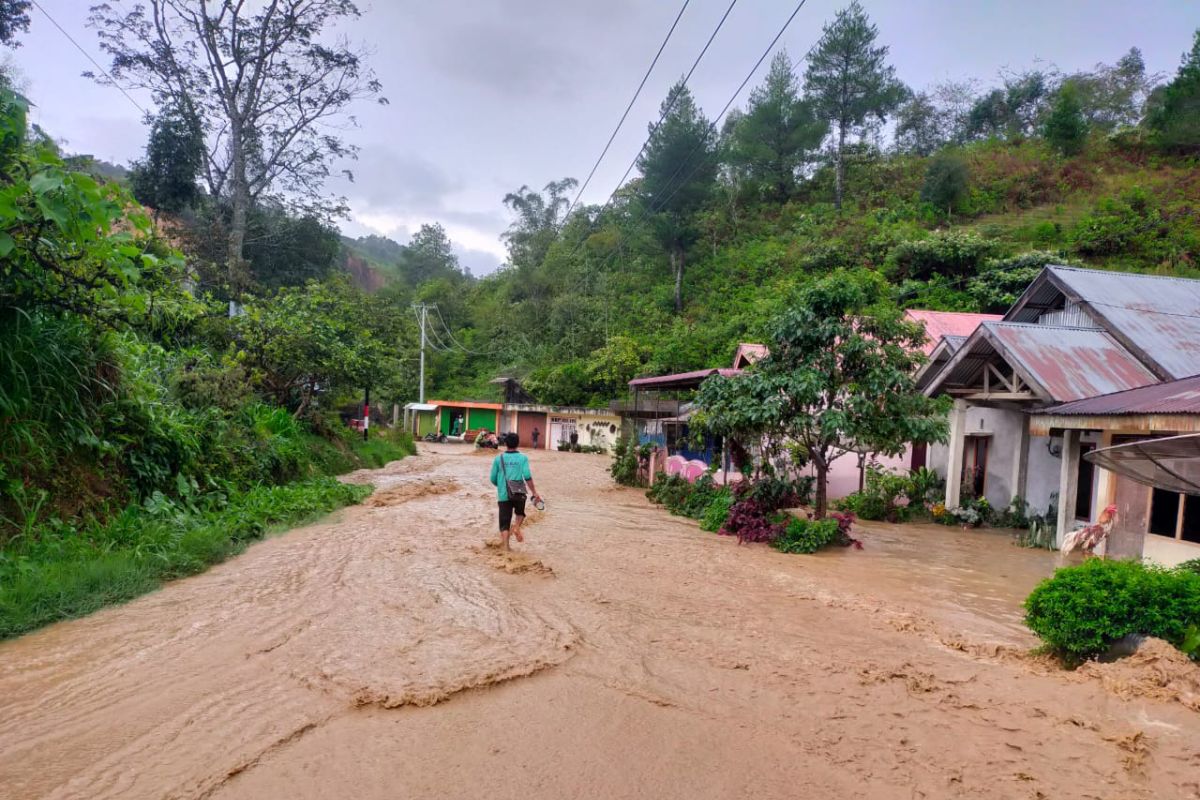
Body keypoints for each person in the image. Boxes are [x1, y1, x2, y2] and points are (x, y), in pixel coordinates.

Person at [489, 432, 542, 549]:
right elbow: (527, 476)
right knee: (520, 513)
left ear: (505, 443)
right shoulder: (523, 458)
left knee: (504, 523)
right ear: (517, 443)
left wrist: (502, 485)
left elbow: (492, 478)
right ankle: (517, 526)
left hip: (504, 494)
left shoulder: (498, 459)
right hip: (519, 492)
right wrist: (534, 492)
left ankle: (506, 548)